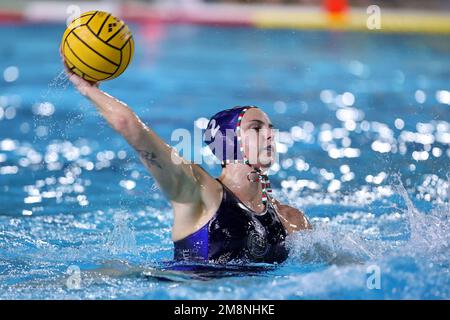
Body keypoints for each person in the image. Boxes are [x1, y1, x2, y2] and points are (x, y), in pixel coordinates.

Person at [62, 63, 311, 265]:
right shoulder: (199, 193)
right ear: (228, 141)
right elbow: (129, 126)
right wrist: (87, 88)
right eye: (256, 128)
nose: (270, 135)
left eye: (271, 128)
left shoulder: (291, 220)